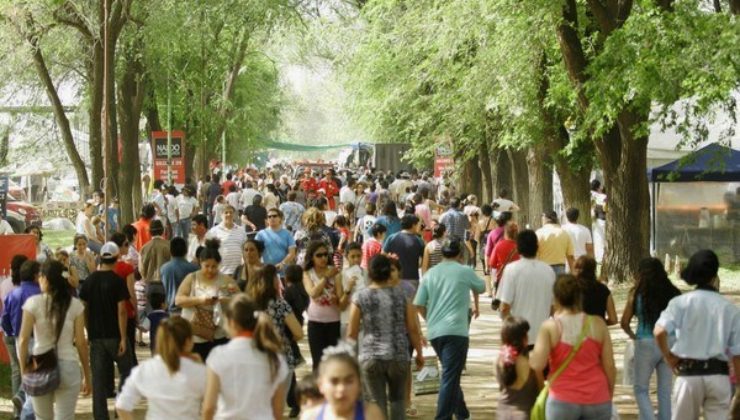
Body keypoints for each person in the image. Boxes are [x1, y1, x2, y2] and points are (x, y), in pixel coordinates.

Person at [654, 249, 740, 420]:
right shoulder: (729, 308)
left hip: (688, 376)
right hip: (718, 376)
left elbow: (659, 331)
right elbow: (737, 354)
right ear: (715, 275)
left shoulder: (680, 303)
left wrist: (668, 356)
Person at [414, 239, 486, 420]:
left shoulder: (430, 274)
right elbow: (482, 287)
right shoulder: (464, 271)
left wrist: (430, 319)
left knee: (450, 374)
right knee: (450, 376)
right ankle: (443, 417)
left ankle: (462, 413)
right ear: (460, 255)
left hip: (436, 333)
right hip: (456, 332)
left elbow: (419, 304)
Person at [347, 254, 424, 420]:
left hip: (370, 356)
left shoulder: (360, 297)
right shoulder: (403, 296)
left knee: (375, 402)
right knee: (398, 400)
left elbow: (351, 332)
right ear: (389, 272)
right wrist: (419, 352)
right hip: (399, 355)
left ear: (370, 273)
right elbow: (412, 328)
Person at [529, 274, 616, 419]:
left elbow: (537, 365)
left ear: (556, 298)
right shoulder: (598, 324)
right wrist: (608, 394)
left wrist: (531, 355)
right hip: (597, 397)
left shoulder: (550, 327)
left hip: (562, 399)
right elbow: (610, 366)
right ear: (579, 297)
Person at [18, 260, 92, 419]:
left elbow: (23, 340)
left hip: (41, 366)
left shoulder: (33, 303)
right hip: (69, 366)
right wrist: (87, 374)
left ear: (45, 278)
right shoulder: (75, 305)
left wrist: (24, 369)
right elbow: (81, 343)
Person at [202, 295, 289, 420]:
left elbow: (208, 408)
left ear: (232, 322)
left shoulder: (219, 355)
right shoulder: (274, 358)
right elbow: (278, 410)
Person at [620, 257, 681, 420]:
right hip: (669, 342)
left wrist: (634, 336)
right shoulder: (673, 293)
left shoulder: (636, 294)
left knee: (640, 389)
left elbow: (624, 322)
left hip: (645, 341)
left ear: (641, 274)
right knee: (665, 391)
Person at [79, 242, 133, 420]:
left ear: (100, 258)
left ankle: (101, 416)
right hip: (116, 336)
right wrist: (124, 338)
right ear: (117, 259)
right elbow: (122, 311)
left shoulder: (89, 281)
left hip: (96, 337)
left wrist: (87, 330)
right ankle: (121, 409)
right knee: (128, 372)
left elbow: (84, 308)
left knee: (99, 380)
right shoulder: (118, 281)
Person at [115, 317, 206, 420]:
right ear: (188, 341)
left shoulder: (145, 369)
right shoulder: (199, 371)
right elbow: (212, 405)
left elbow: (122, 405)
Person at [247, 265, 304, 405]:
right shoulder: (280, 304)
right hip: (281, 357)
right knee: (277, 407)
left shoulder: (247, 305)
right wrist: (287, 340)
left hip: (254, 357)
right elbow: (299, 333)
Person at [176, 239, 239, 361]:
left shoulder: (226, 280)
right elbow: (178, 300)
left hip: (220, 335)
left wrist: (225, 300)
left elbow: (241, 300)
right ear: (200, 262)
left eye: (214, 266)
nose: (210, 270)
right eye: (207, 266)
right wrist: (200, 300)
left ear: (219, 264)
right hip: (196, 335)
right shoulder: (192, 278)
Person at [498, 229, 555, 346]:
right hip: (541, 338)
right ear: (537, 247)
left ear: (518, 248)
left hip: (517, 337)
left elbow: (504, 307)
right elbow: (553, 308)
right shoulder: (549, 271)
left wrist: (507, 324)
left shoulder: (511, 270)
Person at [301, 347, 385, 420]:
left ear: (359, 384)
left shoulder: (371, 414)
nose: (342, 388)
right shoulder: (311, 416)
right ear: (321, 385)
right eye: (334, 382)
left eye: (349, 381)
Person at [1, 256, 36, 416]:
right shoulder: (38, 292)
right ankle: (26, 402)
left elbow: (4, 317)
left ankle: (18, 409)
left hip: (14, 336)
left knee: (18, 370)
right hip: (32, 336)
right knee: (33, 370)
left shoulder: (10, 290)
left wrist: (10, 332)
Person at [303, 241, 344, 371]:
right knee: (318, 363)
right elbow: (313, 293)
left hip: (334, 322)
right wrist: (326, 278)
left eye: (326, 255)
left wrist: (336, 299)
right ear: (312, 257)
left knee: (334, 363)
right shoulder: (307, 273)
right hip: (315, 323)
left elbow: (341, 297)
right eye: (319, 255)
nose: (323, 258)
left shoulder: (335, 273)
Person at [496, 317, 540, 419]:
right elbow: (540, 388)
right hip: (525, 414)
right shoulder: (532, 361)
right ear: (524, 339)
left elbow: (501, 386)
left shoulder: (498, 360)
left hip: (503, 413)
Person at [284, 264, 310, 417]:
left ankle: (294, 401)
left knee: (290, 367)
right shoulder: (302, 289)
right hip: (298, 323)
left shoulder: (289, 291)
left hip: (290, 327)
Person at [110, 232, 139, 366]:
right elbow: (131, 292)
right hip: (126, 311)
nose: (128, 247)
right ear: (119, 248)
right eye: (126, 245)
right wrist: (136, 309)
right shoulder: (126, 268)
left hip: (110, 311)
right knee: (129, 345)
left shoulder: (103, 267)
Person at [383, 214, 425, 299]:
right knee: (410, 306)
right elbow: (423, 261)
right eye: (417, 224)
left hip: (394, 278)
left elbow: (383, 255)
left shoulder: (392, 238)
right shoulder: (419, 241)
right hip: (412, 278)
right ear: (413, 225)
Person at [160, 237, 199, 313]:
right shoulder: (194, 268)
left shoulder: (164, 268)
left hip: (171, 310)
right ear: (186, 251)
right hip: (189, 310)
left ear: (171, 251)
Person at [574, 256, 617, 325]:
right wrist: (600, 323)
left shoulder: (571, 289)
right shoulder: (603, 289)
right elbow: (613, 319)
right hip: (598, 332)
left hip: (576, 331)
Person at [206, 205, 248, 275]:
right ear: (221, 215)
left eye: (231, 212)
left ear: (234, 215)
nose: (229, 214)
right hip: (220, 273)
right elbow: (208, 252)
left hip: (237, 273)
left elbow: (245, 250)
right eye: (226, 212)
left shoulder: (241, 230)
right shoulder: (213, 231)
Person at [338, 243, 366, 337]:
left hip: (365, 322)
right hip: (347, 322)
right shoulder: (341, 276)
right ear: (346, 257)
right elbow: (341, 306)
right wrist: (348, 289)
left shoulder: (367, 274)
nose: (356, 260)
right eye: (352, 256)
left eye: (358, 256)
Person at [139, 220, 171, 296]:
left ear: (150, 232)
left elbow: (141, 269)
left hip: (150, 285)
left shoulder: (144, 248)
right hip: (165, 284)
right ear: (162, 231)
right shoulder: (169, 246)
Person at [489, 222, 520, 300]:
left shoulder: (499, 245)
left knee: (503, 302)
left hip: (502, 278)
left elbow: (492, 264)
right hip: (518, 278)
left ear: (506, 233)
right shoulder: (520, 246)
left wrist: (493, 280)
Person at [477, 204, 495, 275]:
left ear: (482, 212)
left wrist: (480, 244)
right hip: (493, 245)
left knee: (485, 267)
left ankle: (487, 284)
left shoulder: (480, 222)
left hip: (483, 245)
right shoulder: (495, 221)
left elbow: (476, 237)